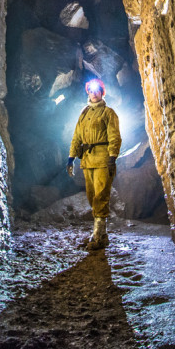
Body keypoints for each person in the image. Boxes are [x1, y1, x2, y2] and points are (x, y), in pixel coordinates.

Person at [67, 77, 121, 250]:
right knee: (91, 196)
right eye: (91, 90)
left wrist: (112, 157)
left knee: (100, 195)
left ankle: (98, 234)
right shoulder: (84, 113)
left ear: (102, 92)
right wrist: (71, 158)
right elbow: (77, 137)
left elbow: (114, 136)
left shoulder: (108, 112)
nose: (94, 93)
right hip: (87, 160)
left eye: (97, 90)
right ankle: (101, 234)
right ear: (88, 93)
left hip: (103, 159)